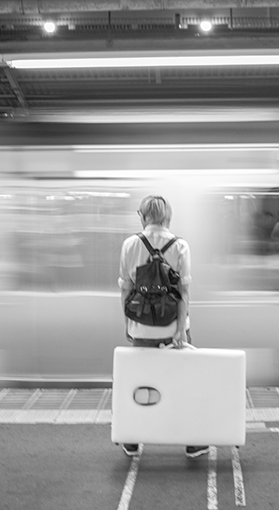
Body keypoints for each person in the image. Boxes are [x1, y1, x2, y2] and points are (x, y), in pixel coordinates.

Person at [117, 194, 208, 459]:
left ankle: (132, 441)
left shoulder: (130, 244)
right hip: (172, 328)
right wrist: (180, 331)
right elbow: (183, 292)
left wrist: (129, 323)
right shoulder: (180, 246)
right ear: (167, 216)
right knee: (183, 383)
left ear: (144, 216)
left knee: (141, 384)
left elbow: (125, 289)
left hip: (140, 327)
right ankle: (192, 444)